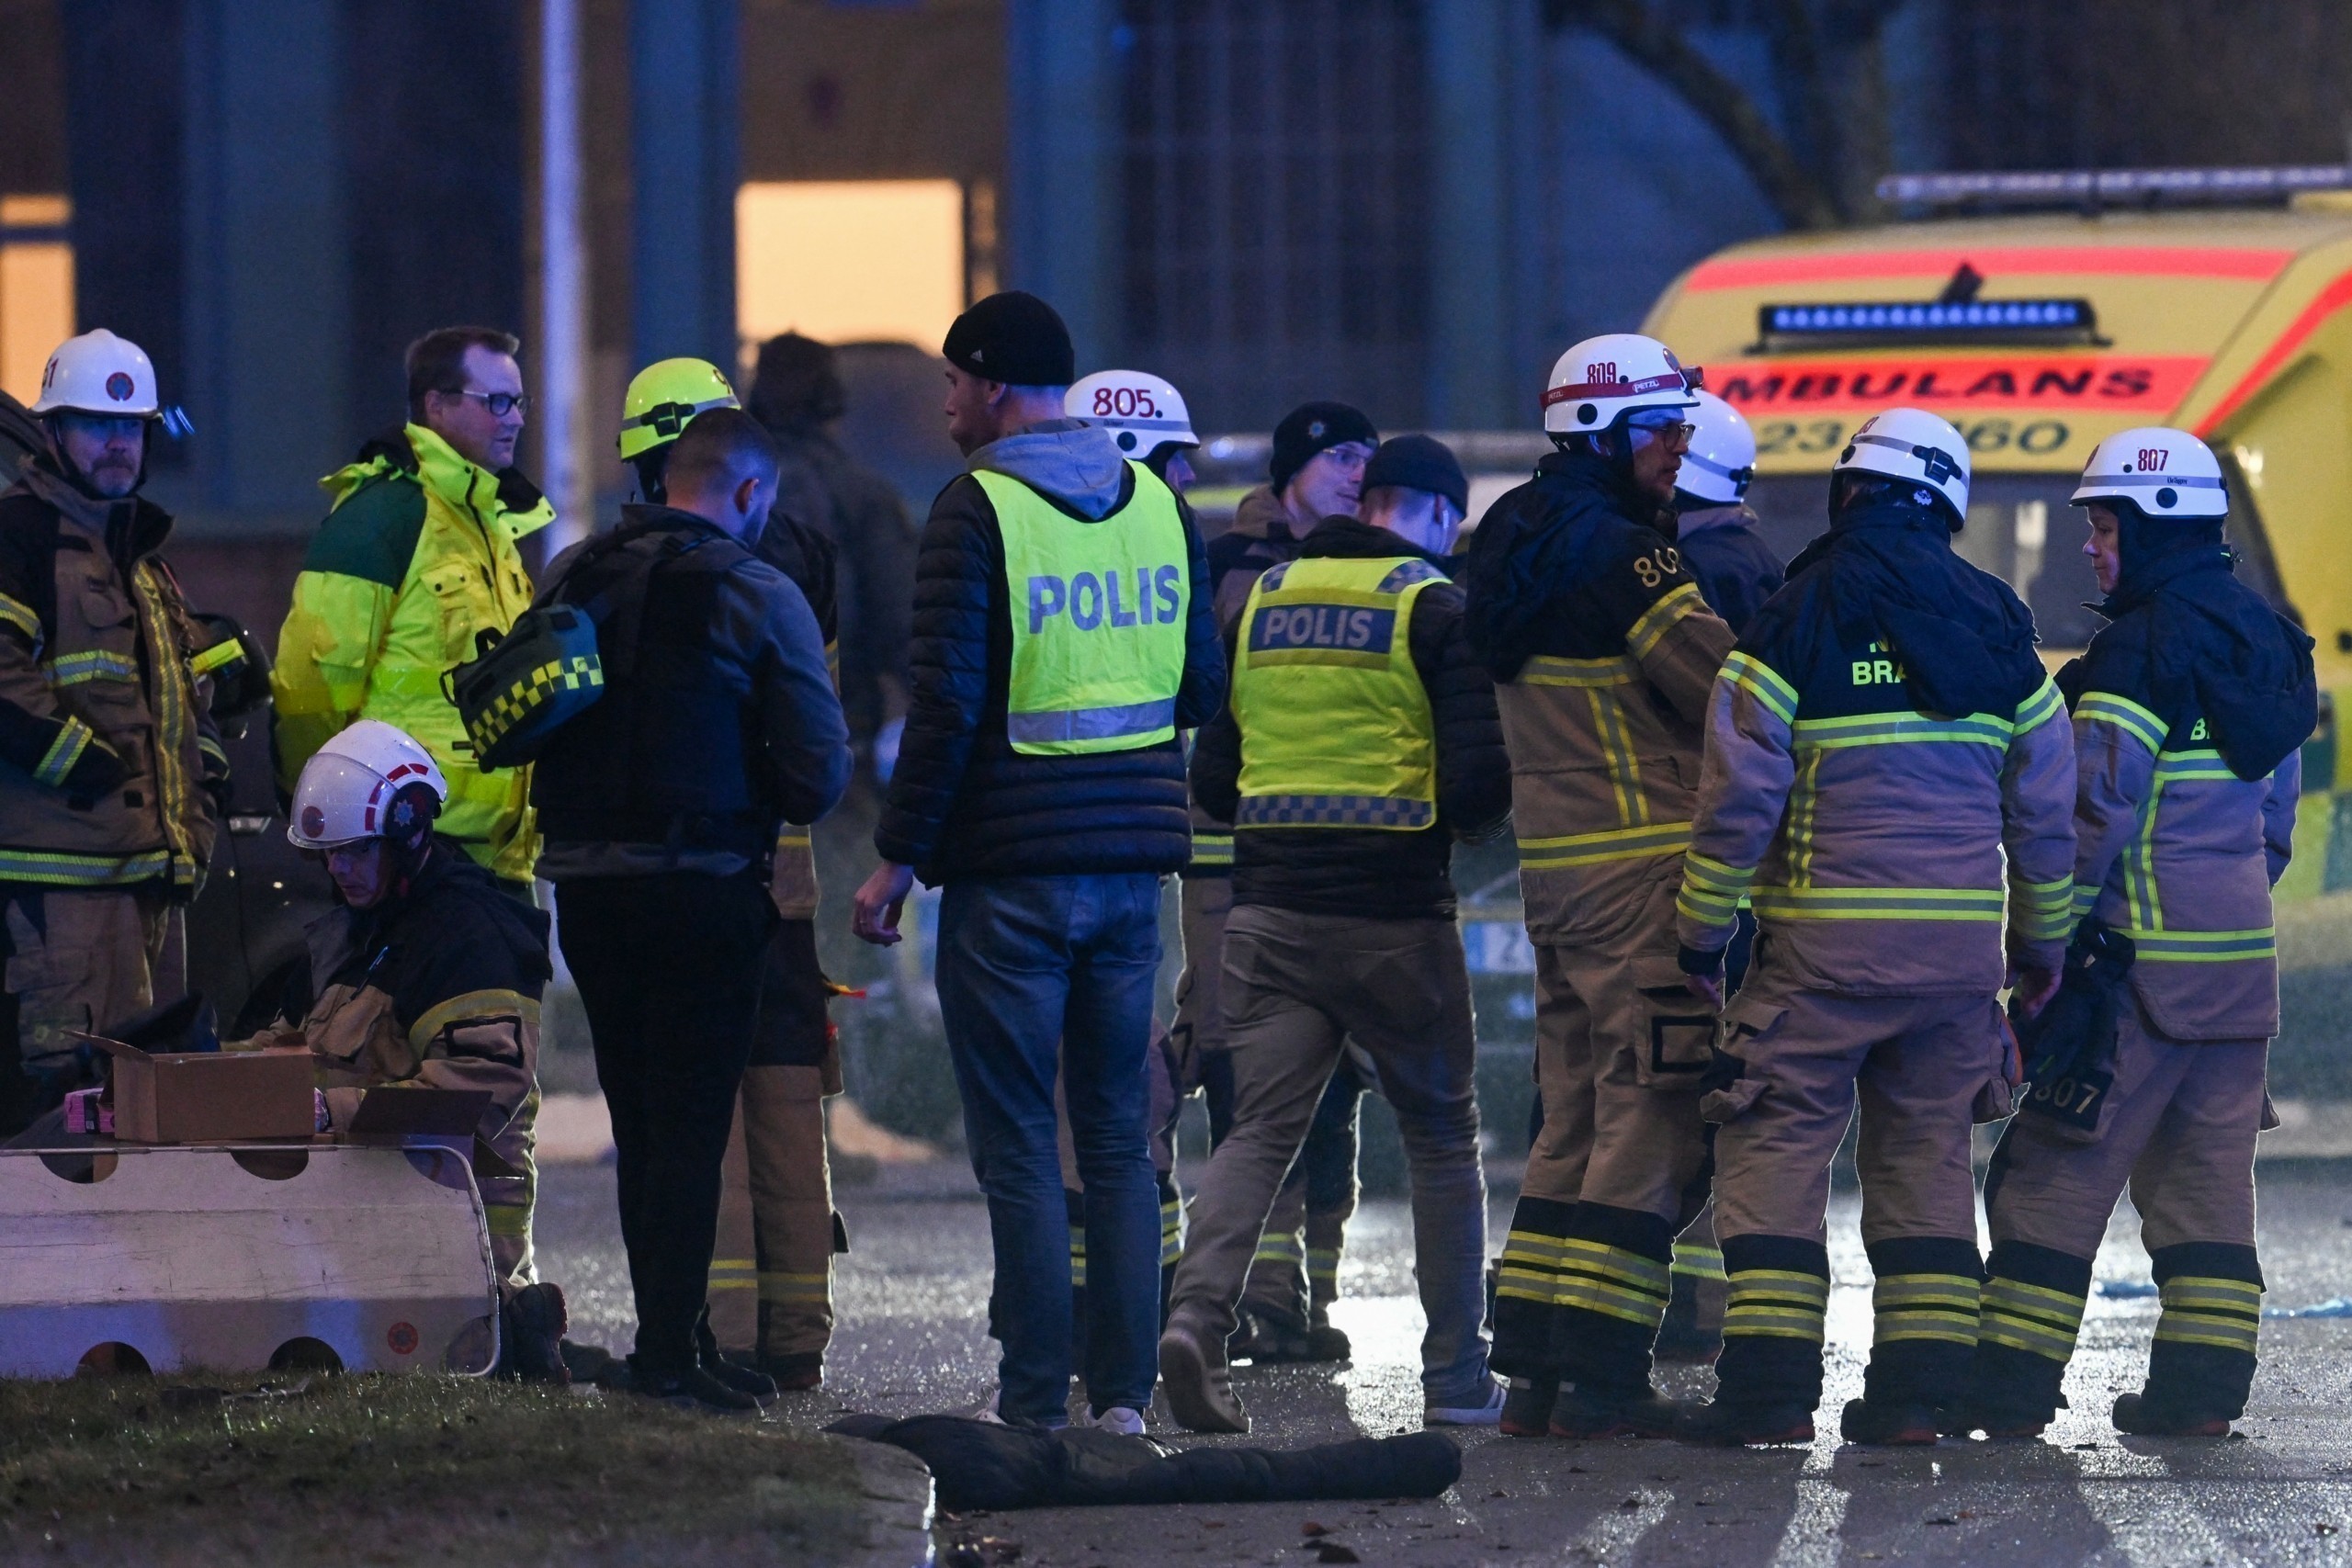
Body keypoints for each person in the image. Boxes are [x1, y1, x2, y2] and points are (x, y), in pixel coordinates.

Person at [850, 291, 1222, 1435]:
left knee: (1017, 1145)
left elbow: (949, 702)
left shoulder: (977, 511)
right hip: (1128, 880)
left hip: (1011, 875)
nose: (948, 404)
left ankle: (1033, 1408)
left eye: (955, 384)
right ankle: (1120, 1403)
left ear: (992, 384)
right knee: (1114, 1140)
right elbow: (1202, 689)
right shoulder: (1158, 503)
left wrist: (897, 860)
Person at [1671, 407, 2076, 1447]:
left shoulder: (1794, 612)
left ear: (1849, 492)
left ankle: (1765, 1397)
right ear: (1945, 498)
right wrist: (2038, 953)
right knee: (1926, 1162)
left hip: (1819, 956)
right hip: (1952, 967)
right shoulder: (2000, 624)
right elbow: (2042, 812)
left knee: (1772, 1148)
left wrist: (1699, 934)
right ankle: (1918, 1400)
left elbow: (1737, 800)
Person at [1961, 429, 2313, 1440]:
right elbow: (2273, 824)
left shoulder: (2139, 649)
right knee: (2204, 1198)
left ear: (2154, 527)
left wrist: (2042, 948)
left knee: (2045, 1182)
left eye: (2104, 525)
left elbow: (2093, 816)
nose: (2092, 548)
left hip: (2133, 977)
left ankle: (2008, 1395)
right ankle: (2200, 1401)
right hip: (2237, 977)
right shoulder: (2270, 641)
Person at [1159, 434, 1510, 1434]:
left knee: (1258, 1130)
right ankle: (1452, 1380)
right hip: (1394, 919)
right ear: (1438, 514)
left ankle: (1194, 1318)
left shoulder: (1264, 600)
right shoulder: (1434, 604)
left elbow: (1215, 783)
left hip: (1268, 916)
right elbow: (1481, 785)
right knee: (1442, 1138)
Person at [533, 409, 852, 1411]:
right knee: (689, 1123)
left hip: (587, 891)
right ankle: (673, 1355)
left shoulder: (576, 573)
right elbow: (818, 773)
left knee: (642, 1121)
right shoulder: (758, 589)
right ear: (750, 492)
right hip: (704, 890)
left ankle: (669, 1341)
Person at [1459, 333, 1735, 1439]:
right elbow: (1724, 689)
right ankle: (1608, 1373)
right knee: (1654, 1114)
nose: (1678, 446)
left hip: (1560, 877)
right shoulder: (1628, 558)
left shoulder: (1512, 539)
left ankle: (1531, 1364)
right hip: (1644, 871)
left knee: (1570, 1114)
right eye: (1661, 427)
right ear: (1599, 431)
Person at [619, 356, 853, 1392]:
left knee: (697, 1108)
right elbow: (817, 731)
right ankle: (797, 1337)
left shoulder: (642, 567)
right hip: (787, 883)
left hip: (695, 872)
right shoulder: (799, 553)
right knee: (789, 1103)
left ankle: (724, 1331)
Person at [266, 718, 566, 1379]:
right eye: (327, 854)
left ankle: (514, 1330)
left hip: (447, 1234)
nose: (337, 868)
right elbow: (289, 1044)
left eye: (354, 850)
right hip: (359, 1209)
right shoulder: (358, 929)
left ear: (406, 834)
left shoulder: (469, 936)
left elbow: (473, 1096)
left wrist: (327, 1111)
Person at [1191, 400, 1384, 1364]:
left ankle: (1307, 1296)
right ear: (1292, 469)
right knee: (1249, 1080)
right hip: (1235, 861)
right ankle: (1257, 1301)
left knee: (1335, 1088)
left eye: (1365, 458)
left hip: (1329, 857)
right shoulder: (1234, 567)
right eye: (1339, 456)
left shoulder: (1363, 568)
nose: (1356, 471)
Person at [0, 329, 232, 1124]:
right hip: (61, 887)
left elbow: (180, 697)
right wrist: (79, 761)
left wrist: (198, 803)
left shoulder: (140, 556)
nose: (116, 444)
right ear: (54, 431)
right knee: (67, 1105)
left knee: (152, 1110)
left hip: (148, 881)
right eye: (98, 425)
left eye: (130, 429)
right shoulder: (20, 535)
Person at [273, 325, 553, 892]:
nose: (517, 419)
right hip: (409, 852)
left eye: (519, 401)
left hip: (499, 858)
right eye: (497, 401)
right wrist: (326, 819)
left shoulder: (489, 525)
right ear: (437, 406)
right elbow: (311, 691)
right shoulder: (383, 517)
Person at [1655, 389, 1782, 1361]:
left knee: (1665, 1080)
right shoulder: (1761, 566)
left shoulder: (1680, 574)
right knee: (1722, 1073)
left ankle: (1665, 1307)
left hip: (1685, 856)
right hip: (1754, 863)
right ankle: (1700, 1301)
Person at [748, 333, 920, 775]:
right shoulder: (862, 494)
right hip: (838, 723)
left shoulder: (724, 491)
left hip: (737, 728)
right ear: (833, 403)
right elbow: (899, 618)